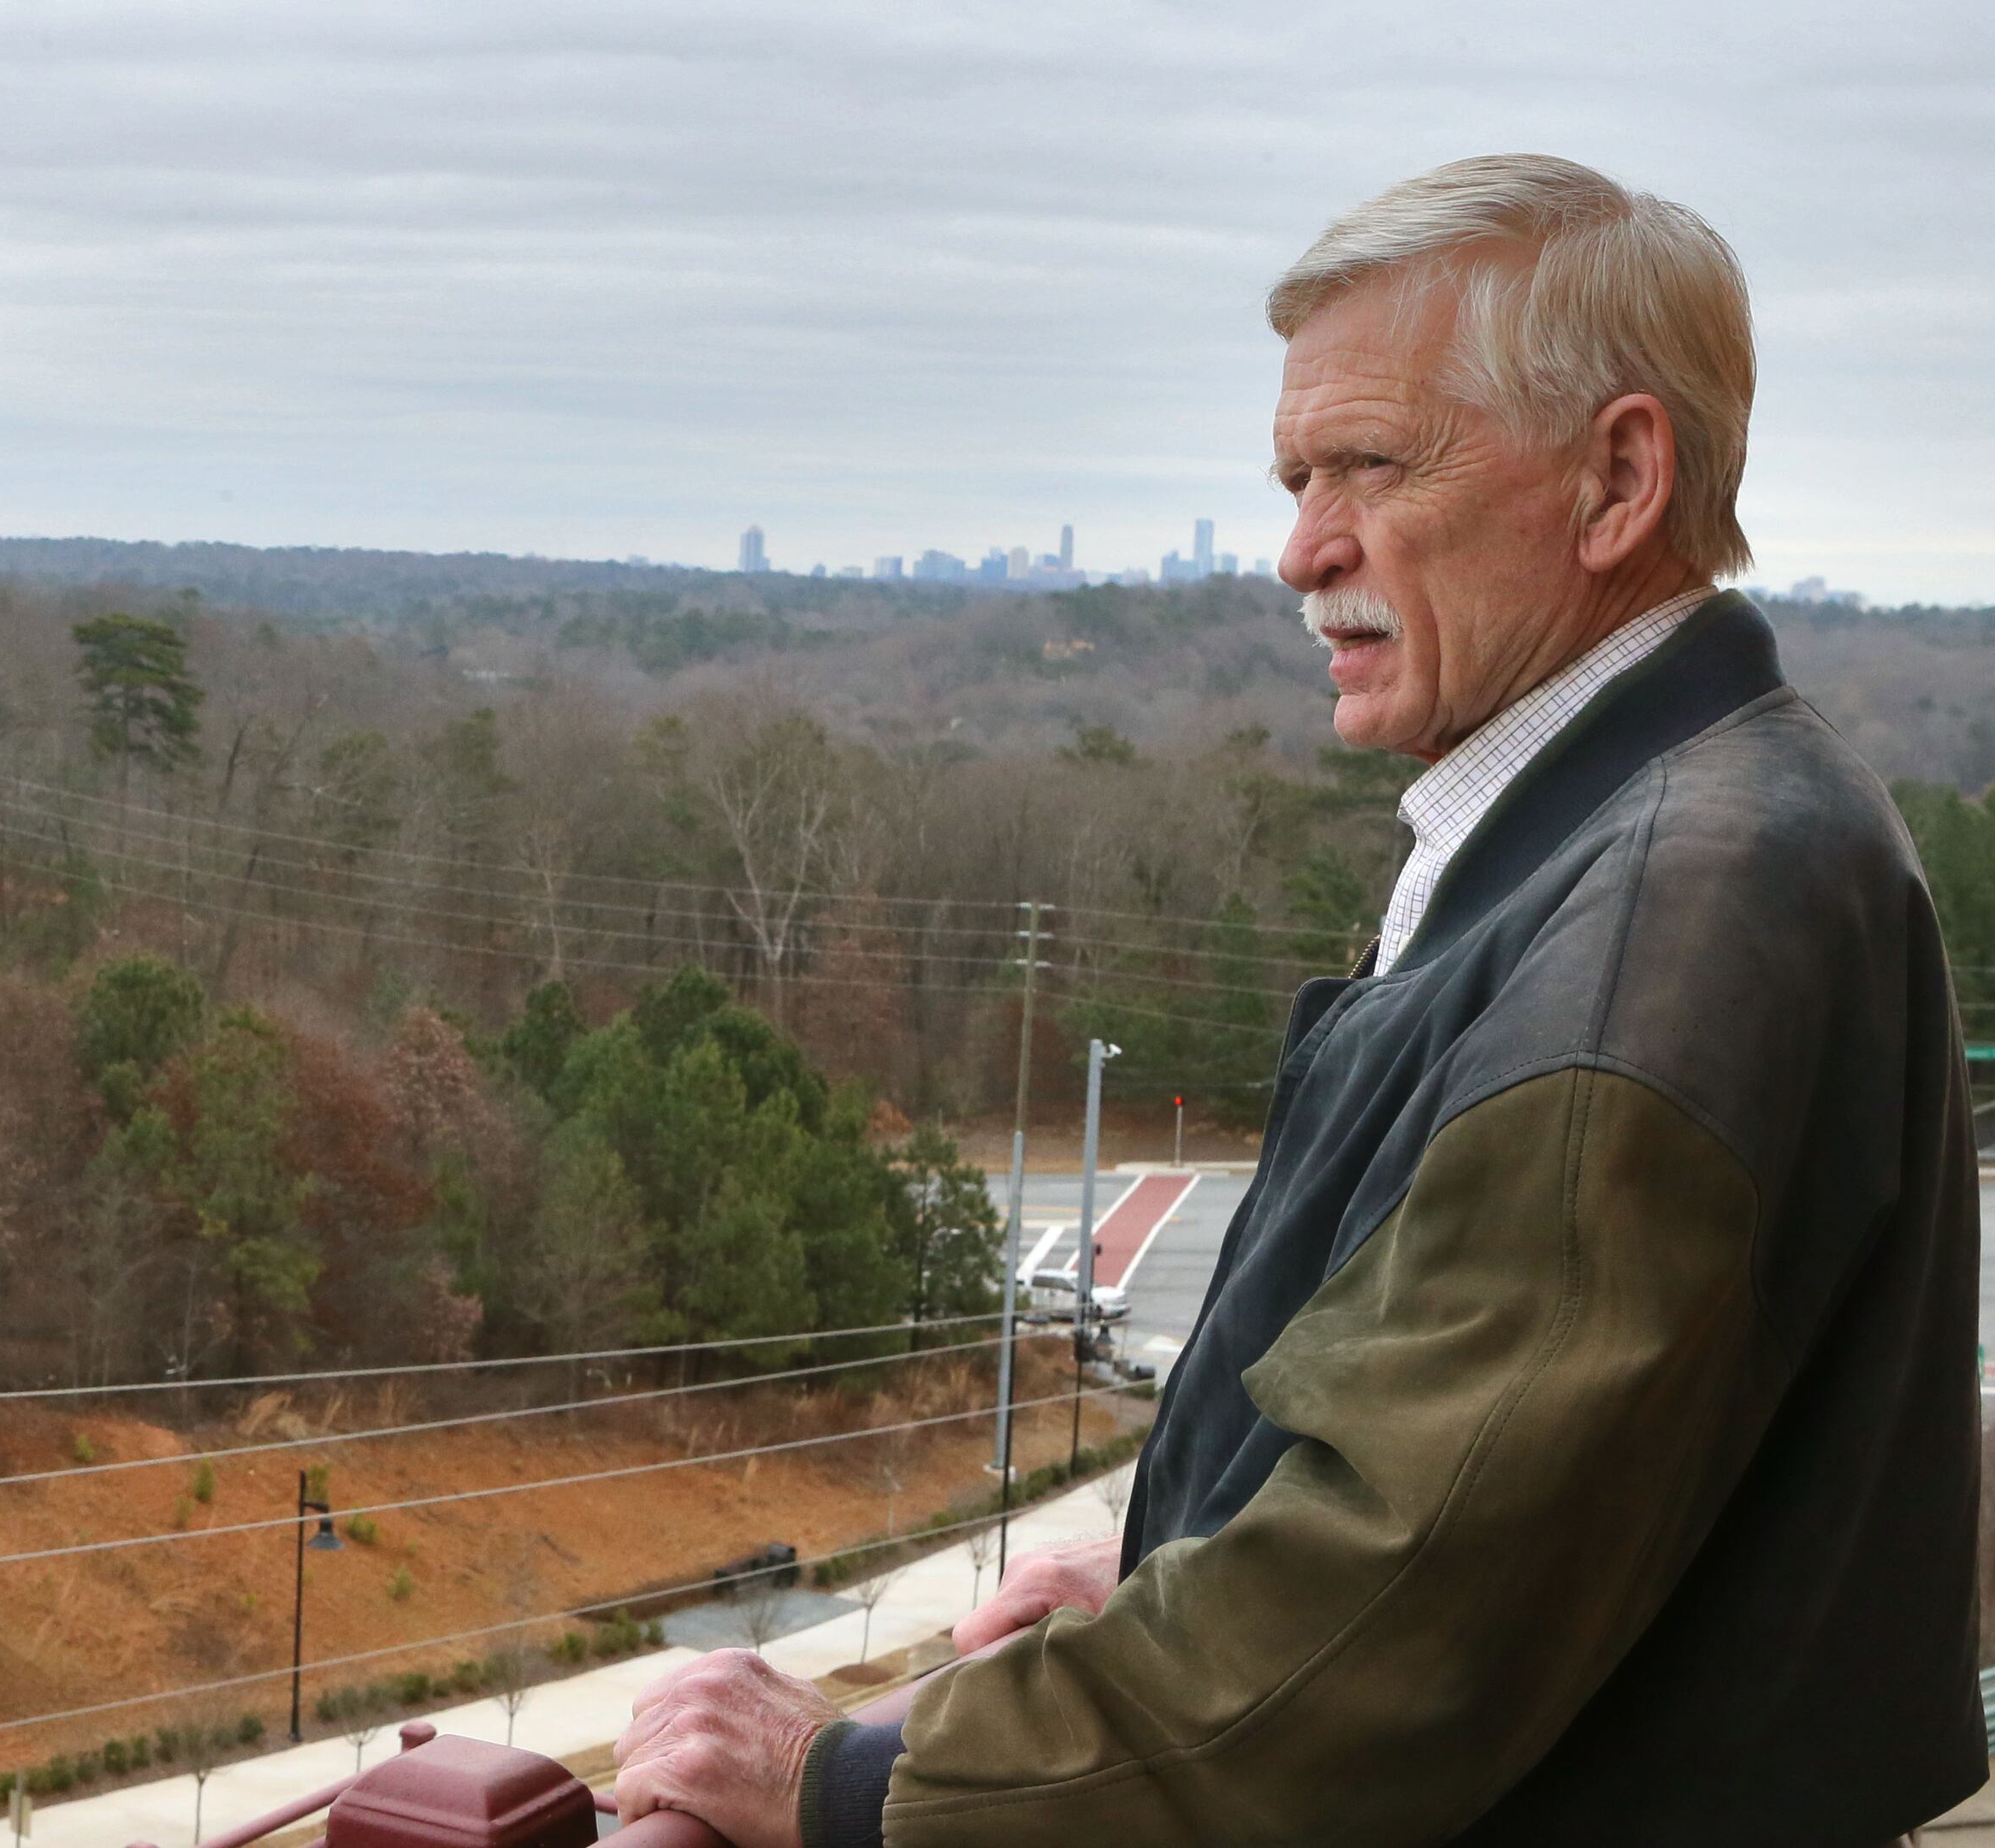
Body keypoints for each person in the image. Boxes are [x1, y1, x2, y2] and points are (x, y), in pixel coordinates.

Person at [613, 153, 1985, 1846]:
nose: (1298, 550)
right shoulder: (1633, 836)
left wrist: (853, 1781)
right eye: (1292, 479)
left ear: (1620, 477)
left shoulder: (1674, 914)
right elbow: (1493, 1474)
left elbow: (1398, 1608)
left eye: (1371, 468)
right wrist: (1162, 1561)